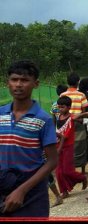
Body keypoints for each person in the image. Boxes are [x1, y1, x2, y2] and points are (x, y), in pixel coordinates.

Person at [0, 60, 57, 217]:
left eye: (24, 80)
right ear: (8, 83)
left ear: (35, 84)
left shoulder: (43, 119)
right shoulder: (0, 114)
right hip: (3, 184)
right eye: (14, 79)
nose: (18, 84)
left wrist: (21, 190)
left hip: (32, 191)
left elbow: (52, 161)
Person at [55, 96, 88, 199]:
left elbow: (64, 136)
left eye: (63, 107)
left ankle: (82, 178)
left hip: (67, 146)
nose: (61, 109)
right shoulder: (58, 117)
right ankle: (64, 191)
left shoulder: (71, 118)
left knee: (67, 170)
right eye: (59, 107)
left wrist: (84, 114)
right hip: (57, 146)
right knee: (58, 172)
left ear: (69, 107)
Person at [60, 72, 88, 176]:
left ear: (68, 82)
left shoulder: (62, 95)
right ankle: (82, 170)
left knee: (69, 147)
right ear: (78, 82)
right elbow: (83, 111)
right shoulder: (81, 95)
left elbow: (61, 111)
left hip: (66, 124)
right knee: (81, 145)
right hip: (79, 122)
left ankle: (71, 170)